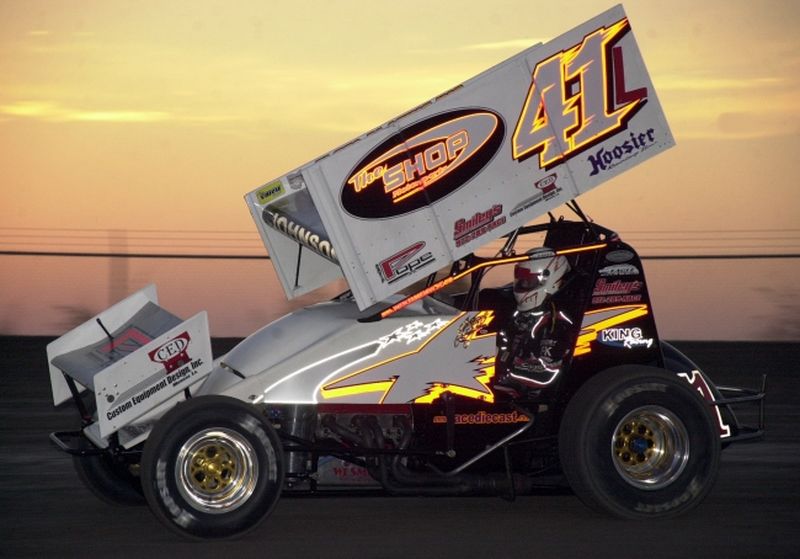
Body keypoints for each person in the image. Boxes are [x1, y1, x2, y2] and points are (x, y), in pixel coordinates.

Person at [495, 248, 574, 390]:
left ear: (549, 279)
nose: (523, 285)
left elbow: (546, 376)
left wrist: (506, 374)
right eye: (521, 281)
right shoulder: (518, 316)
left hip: (526, 397)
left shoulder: (555, 324)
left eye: (528, 281)